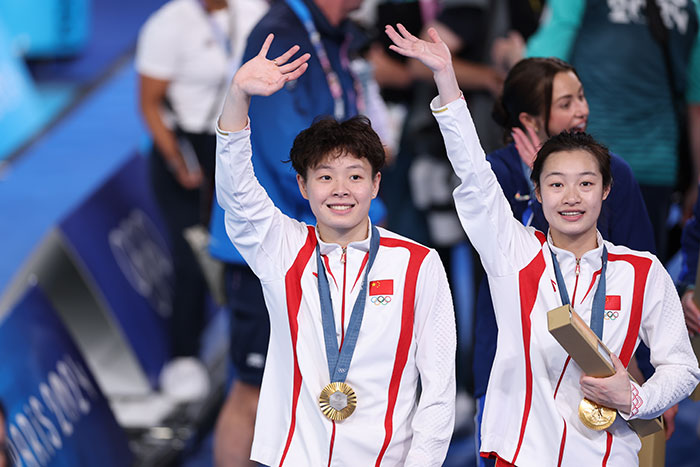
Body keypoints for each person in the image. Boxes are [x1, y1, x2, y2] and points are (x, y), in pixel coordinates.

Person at [386, 23, 700, 465]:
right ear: (537, 192)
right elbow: (474, 174)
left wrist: (636, 398)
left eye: (585, 183)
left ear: (607, 190)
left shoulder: (642, 270)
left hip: (609, 455)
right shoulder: (513, 252)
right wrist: (446, 79)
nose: (571, 198)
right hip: (520, 453)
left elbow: (683, 367)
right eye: (556, 184)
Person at [214, 34, 456, 466]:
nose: (340, 190)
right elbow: (237, 193)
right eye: (325, 177)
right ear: (303, 186)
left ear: (376, 184)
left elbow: (439, 390)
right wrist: (237, 98)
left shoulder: (418, 264)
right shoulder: (282, 249)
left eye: (355, 176)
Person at [210, 0, 387, 464]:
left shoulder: (337, 35)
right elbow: (284, 152)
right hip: (271, 250)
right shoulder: (282, 35)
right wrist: (356, 215)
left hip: (323, 243)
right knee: (254, 390)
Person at [472, 56, 660, 464]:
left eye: (582, 97)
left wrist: (653, 382)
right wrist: (537, 182)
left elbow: (646, 278)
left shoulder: (615, 174)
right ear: (531, 118)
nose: (582, 110)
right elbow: (515, 255)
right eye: (565, 103)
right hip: (515, 365)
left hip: (603, 372)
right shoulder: (498, 173)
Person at [525, 0, 700, 262]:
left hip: (584, 168)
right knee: (640, 285)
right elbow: (696, 101)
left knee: (568, 286)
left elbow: (539, 69)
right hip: (658, 167)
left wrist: (509, 55)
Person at [136, 0, 234, 368]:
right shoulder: (168, 24)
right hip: (187, 149)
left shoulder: (253, 9)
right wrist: (178, 160)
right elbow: (148, 103)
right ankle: (184, 356)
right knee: (193, 253)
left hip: (236, 144)